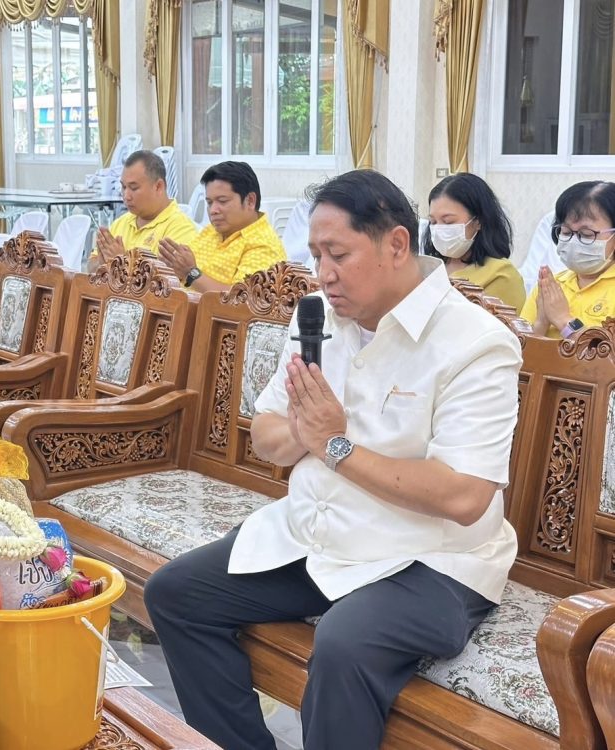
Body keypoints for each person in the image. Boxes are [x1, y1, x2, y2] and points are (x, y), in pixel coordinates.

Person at [144, 169, 522, 750]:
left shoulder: (475, 343)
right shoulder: (316, 316)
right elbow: (266, 435)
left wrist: (335, 446)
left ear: (397, 244)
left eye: (338, 254)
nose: (322, 272)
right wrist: (308, 430)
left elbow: (464, 496)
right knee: (176, 592)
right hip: (321, 533)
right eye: (316, 254)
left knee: (345, 644)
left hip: (429, 557)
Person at [157, 161, 286, 293]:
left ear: (250, 201)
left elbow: (242, 299)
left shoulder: (264, 245)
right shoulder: (211, 231)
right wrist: (173, 268)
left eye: (222, 201)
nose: (213, 210)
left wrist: (191, 274)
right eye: (209, 203)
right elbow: (183, 274)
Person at [520, 181, 615, 338]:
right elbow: (520, 349)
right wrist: (541, 323)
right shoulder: (551, 286)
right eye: (565, 232)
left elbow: (606, 353)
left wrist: (564, 321)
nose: (573, 241)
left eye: (586, 235)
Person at [424, 173, 525, 311]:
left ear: (478, 221)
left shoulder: (500, 274)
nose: (439, 230)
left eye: (448, 222)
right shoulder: (428, 268)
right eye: (433, 222)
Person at [89, 150, 198, 270]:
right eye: (123, 187)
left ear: (158, 186)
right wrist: (102, 263)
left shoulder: (181, 229)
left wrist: (122, 262)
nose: (126, 196)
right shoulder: (121, 223)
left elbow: (168, 280)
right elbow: (90, 266)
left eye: (134, 188)